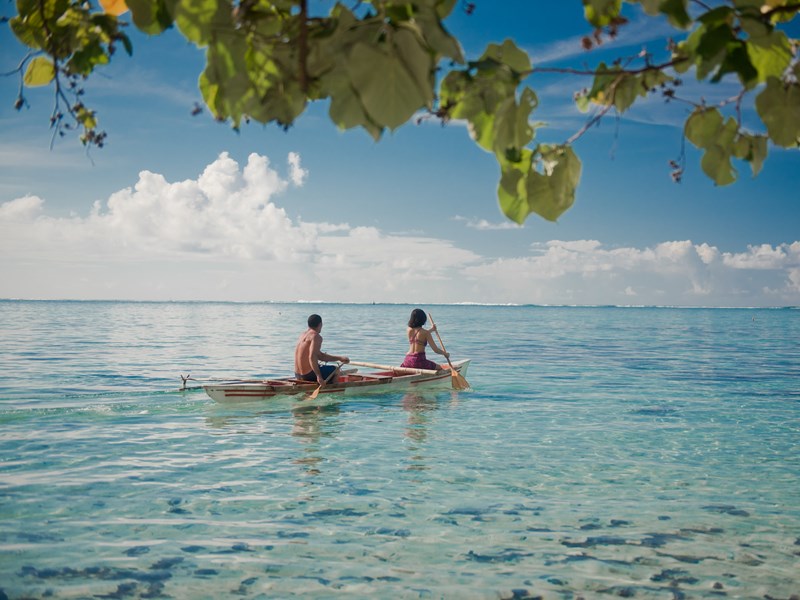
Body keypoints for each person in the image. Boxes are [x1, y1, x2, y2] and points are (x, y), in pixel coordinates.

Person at [294, 314, 350, 385]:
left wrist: (339, 358)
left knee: (325, 369)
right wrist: (318, 376)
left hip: (297, 374)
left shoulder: (302, 335)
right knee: (337, 370)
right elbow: (312, 356)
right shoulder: (316, 336)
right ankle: (333, 391)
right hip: (308, 375)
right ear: (320, 324)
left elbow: (319, 355)